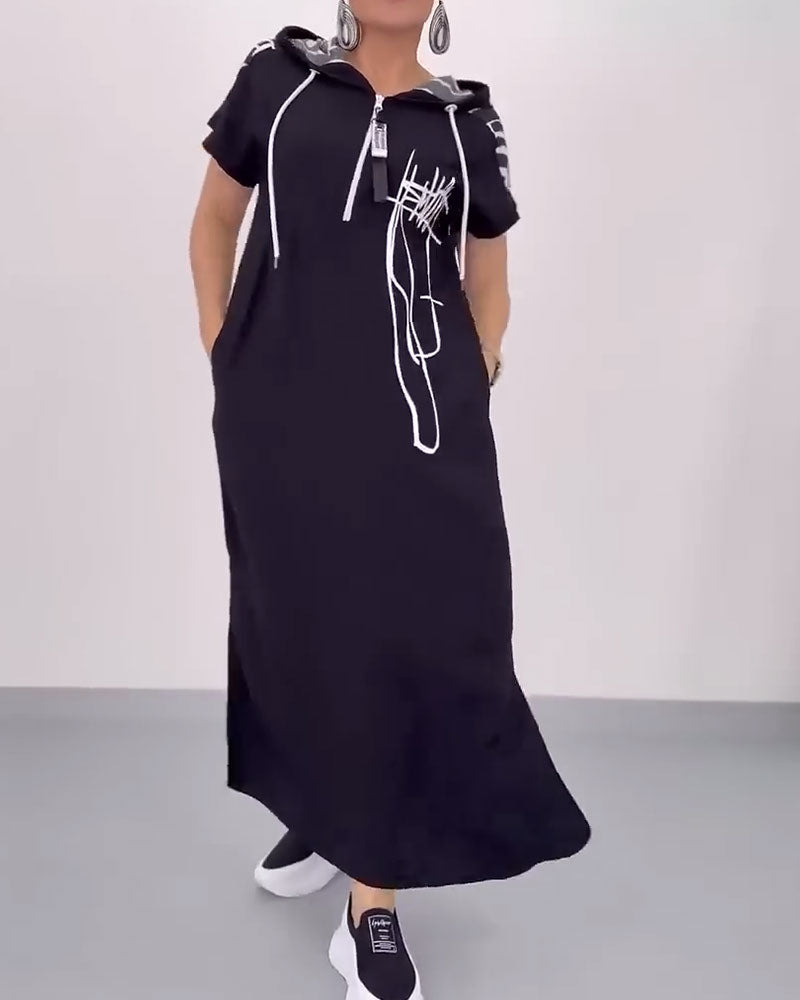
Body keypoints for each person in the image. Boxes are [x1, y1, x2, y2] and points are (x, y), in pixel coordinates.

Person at [190, 3, 590, 998]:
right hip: (283, 424)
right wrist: (226, 354)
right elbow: (215, 219)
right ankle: (328, 813)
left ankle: (373, 899)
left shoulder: (462, 122)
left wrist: (475, 369)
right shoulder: (277, 80)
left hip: (418, 432)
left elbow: (487, 269)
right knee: (300, 624)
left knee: (410, 634)